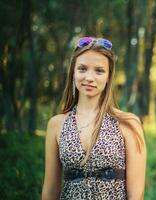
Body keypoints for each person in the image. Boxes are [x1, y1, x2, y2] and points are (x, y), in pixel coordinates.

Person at [41, 37, 147, 200]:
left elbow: (137, 195)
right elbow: (50, 191)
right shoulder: (56, 124)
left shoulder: (128, 123)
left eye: (99, 71)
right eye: (82, 69)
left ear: (108, 77)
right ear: (73, 73)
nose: (89, 77)